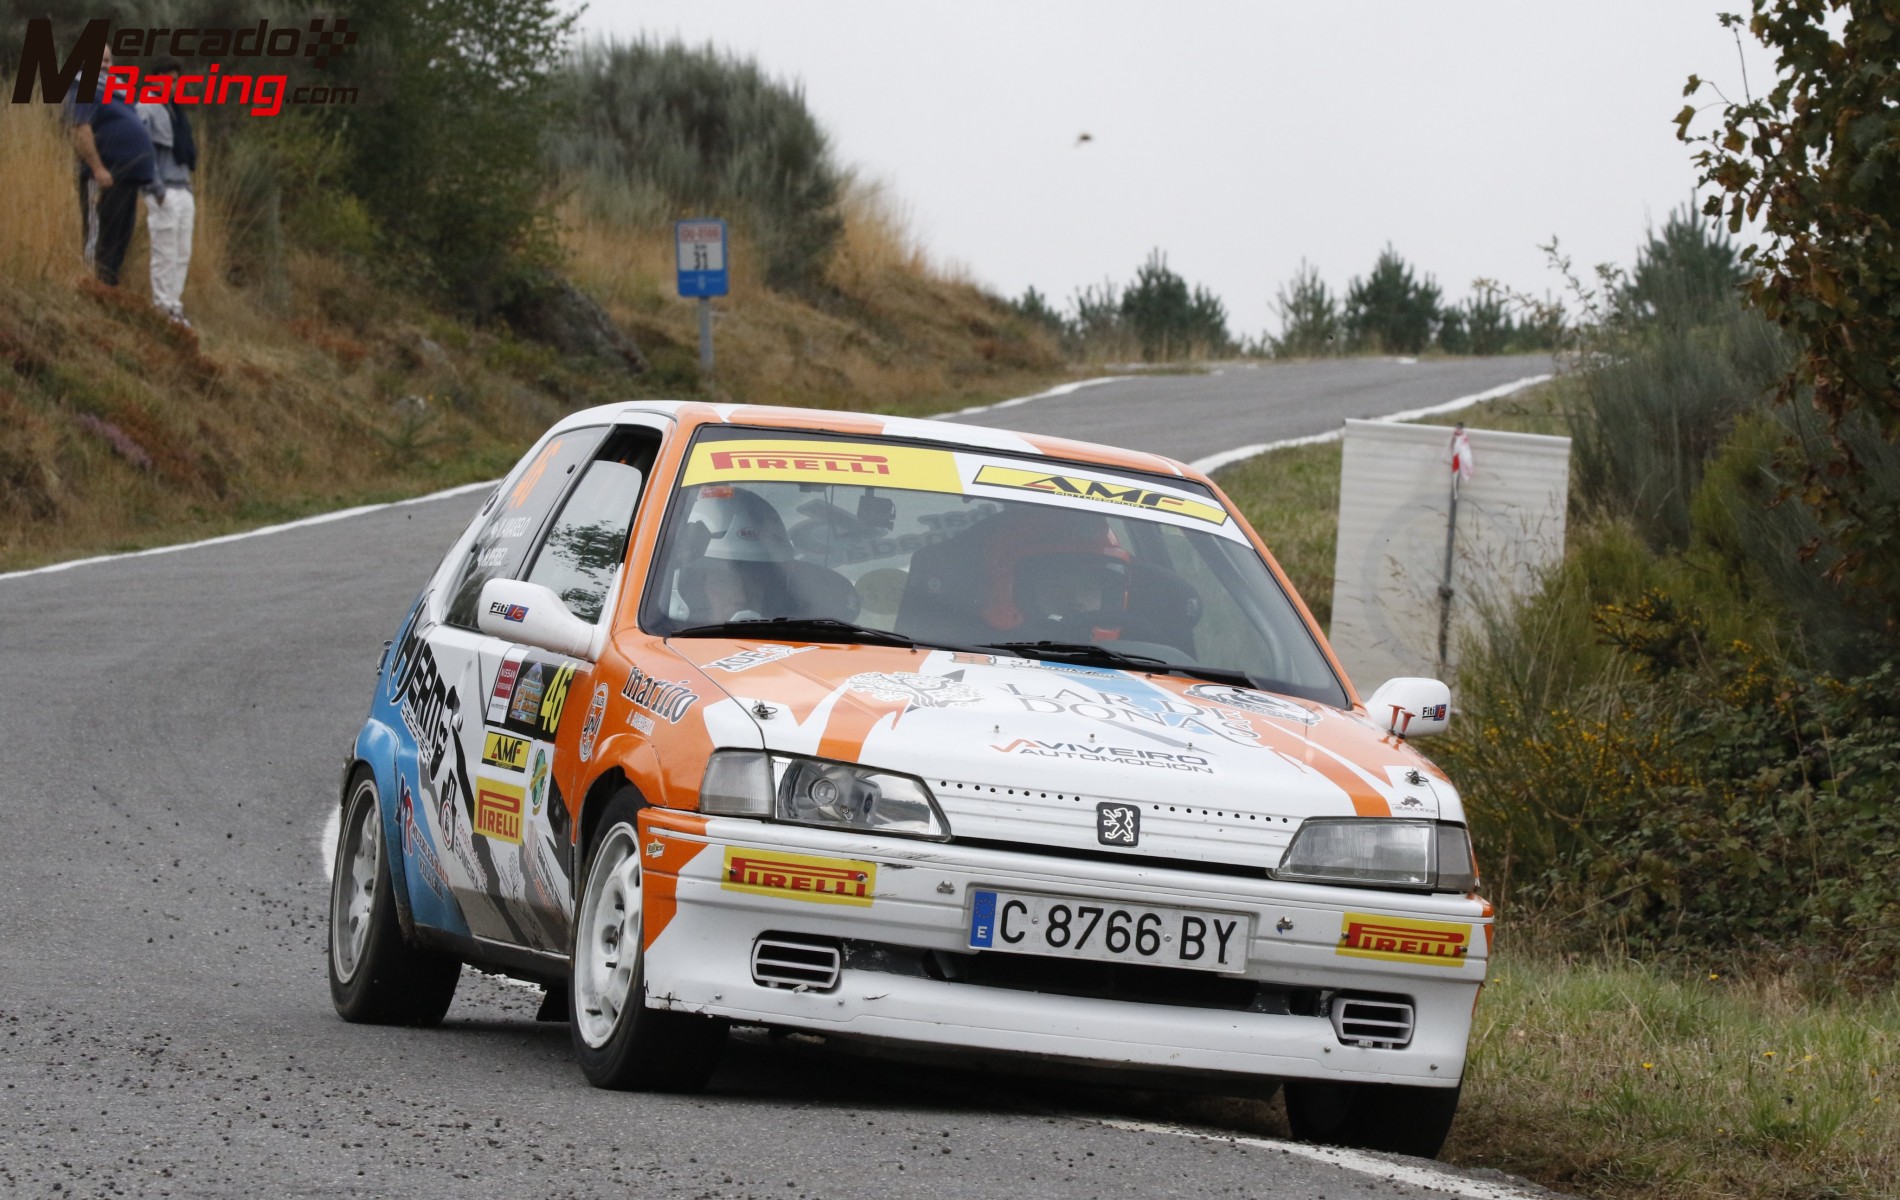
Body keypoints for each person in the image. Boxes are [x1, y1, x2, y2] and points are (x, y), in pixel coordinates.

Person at [64, 46, 156, 286]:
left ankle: (108, 290)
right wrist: (97, 168)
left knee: (119, 238)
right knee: (99, 237)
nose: (105, 65)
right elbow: (79, 128)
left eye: (108, 60)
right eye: (99, 60)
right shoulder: (82, 86)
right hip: (105, 175)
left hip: (128, 178)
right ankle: (90, 288)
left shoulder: (117, 90)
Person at [137, 58, 197, 326]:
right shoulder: (147, 106)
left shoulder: (175, 110)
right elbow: (141, 148)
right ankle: (162, 308)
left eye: (175, 81)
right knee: (165, 251)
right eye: (168, 80)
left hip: (182, 188)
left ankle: (174, 306)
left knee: (182, 252)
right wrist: (156, 189)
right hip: (163, 190)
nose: (172, 86)